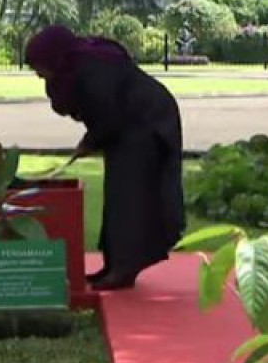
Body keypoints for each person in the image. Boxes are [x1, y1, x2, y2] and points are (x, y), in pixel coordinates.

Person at [24, 25, 185, 291]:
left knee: (130, 197)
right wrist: (92, 139)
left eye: (39, 67)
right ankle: (115, 265)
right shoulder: (76, 67)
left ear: (53, 57)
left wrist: (89, 142)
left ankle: (124, 268)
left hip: (147, 122)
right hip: (128, 125)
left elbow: (109, 114)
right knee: (118, 193)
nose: (39, 74)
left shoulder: (92, 70)